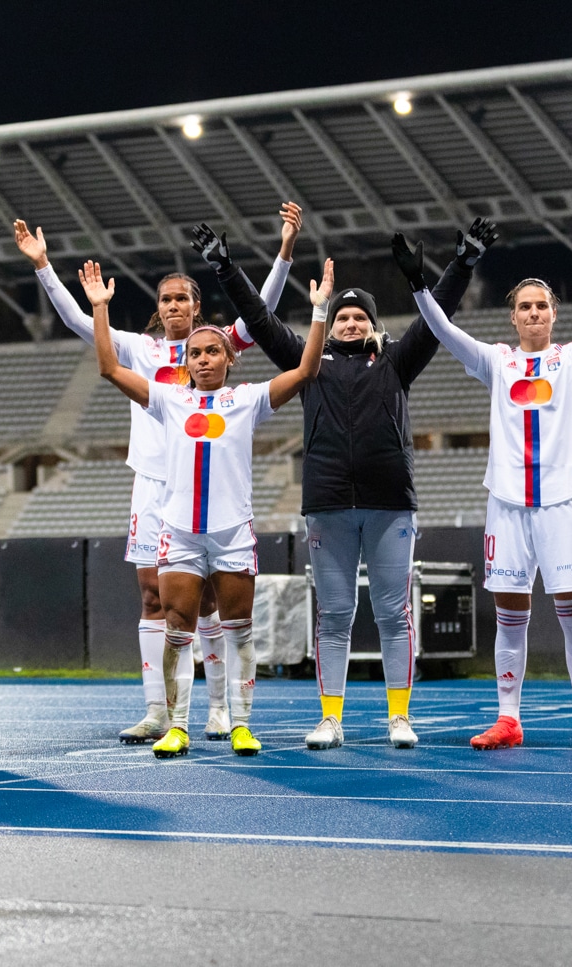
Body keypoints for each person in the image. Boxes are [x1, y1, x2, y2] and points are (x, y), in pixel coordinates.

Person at [202, 215, 495, 750]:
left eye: (361, 317)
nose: (352, 323)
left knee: (393, 613)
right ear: (330, 324)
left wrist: (463, 263)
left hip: (389, 504)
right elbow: (261, 320)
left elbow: (439, 319)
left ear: (374, 325)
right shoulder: (309, 363)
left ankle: (399, 717)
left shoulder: (398, 361)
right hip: (329, 504)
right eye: (344, 316)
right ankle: (331, 719)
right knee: (334, 614)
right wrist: (225, 269)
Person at [14, 205, 300, 743]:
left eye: (182, 299)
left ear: (197, 307)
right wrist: (43, 266)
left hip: (208, 487)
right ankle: (158, 711)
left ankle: (219, 709)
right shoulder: (138, 348)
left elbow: (261, 310)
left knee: (212, 601)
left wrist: (284, 251)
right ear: (158, 307)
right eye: (165, 299)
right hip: (152, 485)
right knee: (155, 600)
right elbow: (81, 323)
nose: (173, 306)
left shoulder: (216, 346)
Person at [401, 227, 572, 752]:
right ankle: (508, 719)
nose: (535, 313)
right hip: (507, 505)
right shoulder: (496, 361)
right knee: (510, 617)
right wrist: (418, 286)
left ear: (554, 315)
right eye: (525, 307)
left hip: (563, 502)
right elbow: (446, 333)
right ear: (512, 317)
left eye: (542, 305)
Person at [80, 252, 328, 757]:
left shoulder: (248, 399)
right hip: (179, 532)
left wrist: (319, 311)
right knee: (177, 630)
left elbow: (305, 371)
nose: (205, 359)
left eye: (214, 351)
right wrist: (100, 307)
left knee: (239, 630)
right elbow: (108, 366)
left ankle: (240, 724)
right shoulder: (168, 400)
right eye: (196, 354)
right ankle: (176, 725)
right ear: (186, 363)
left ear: (229, 357)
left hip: (233, 531)